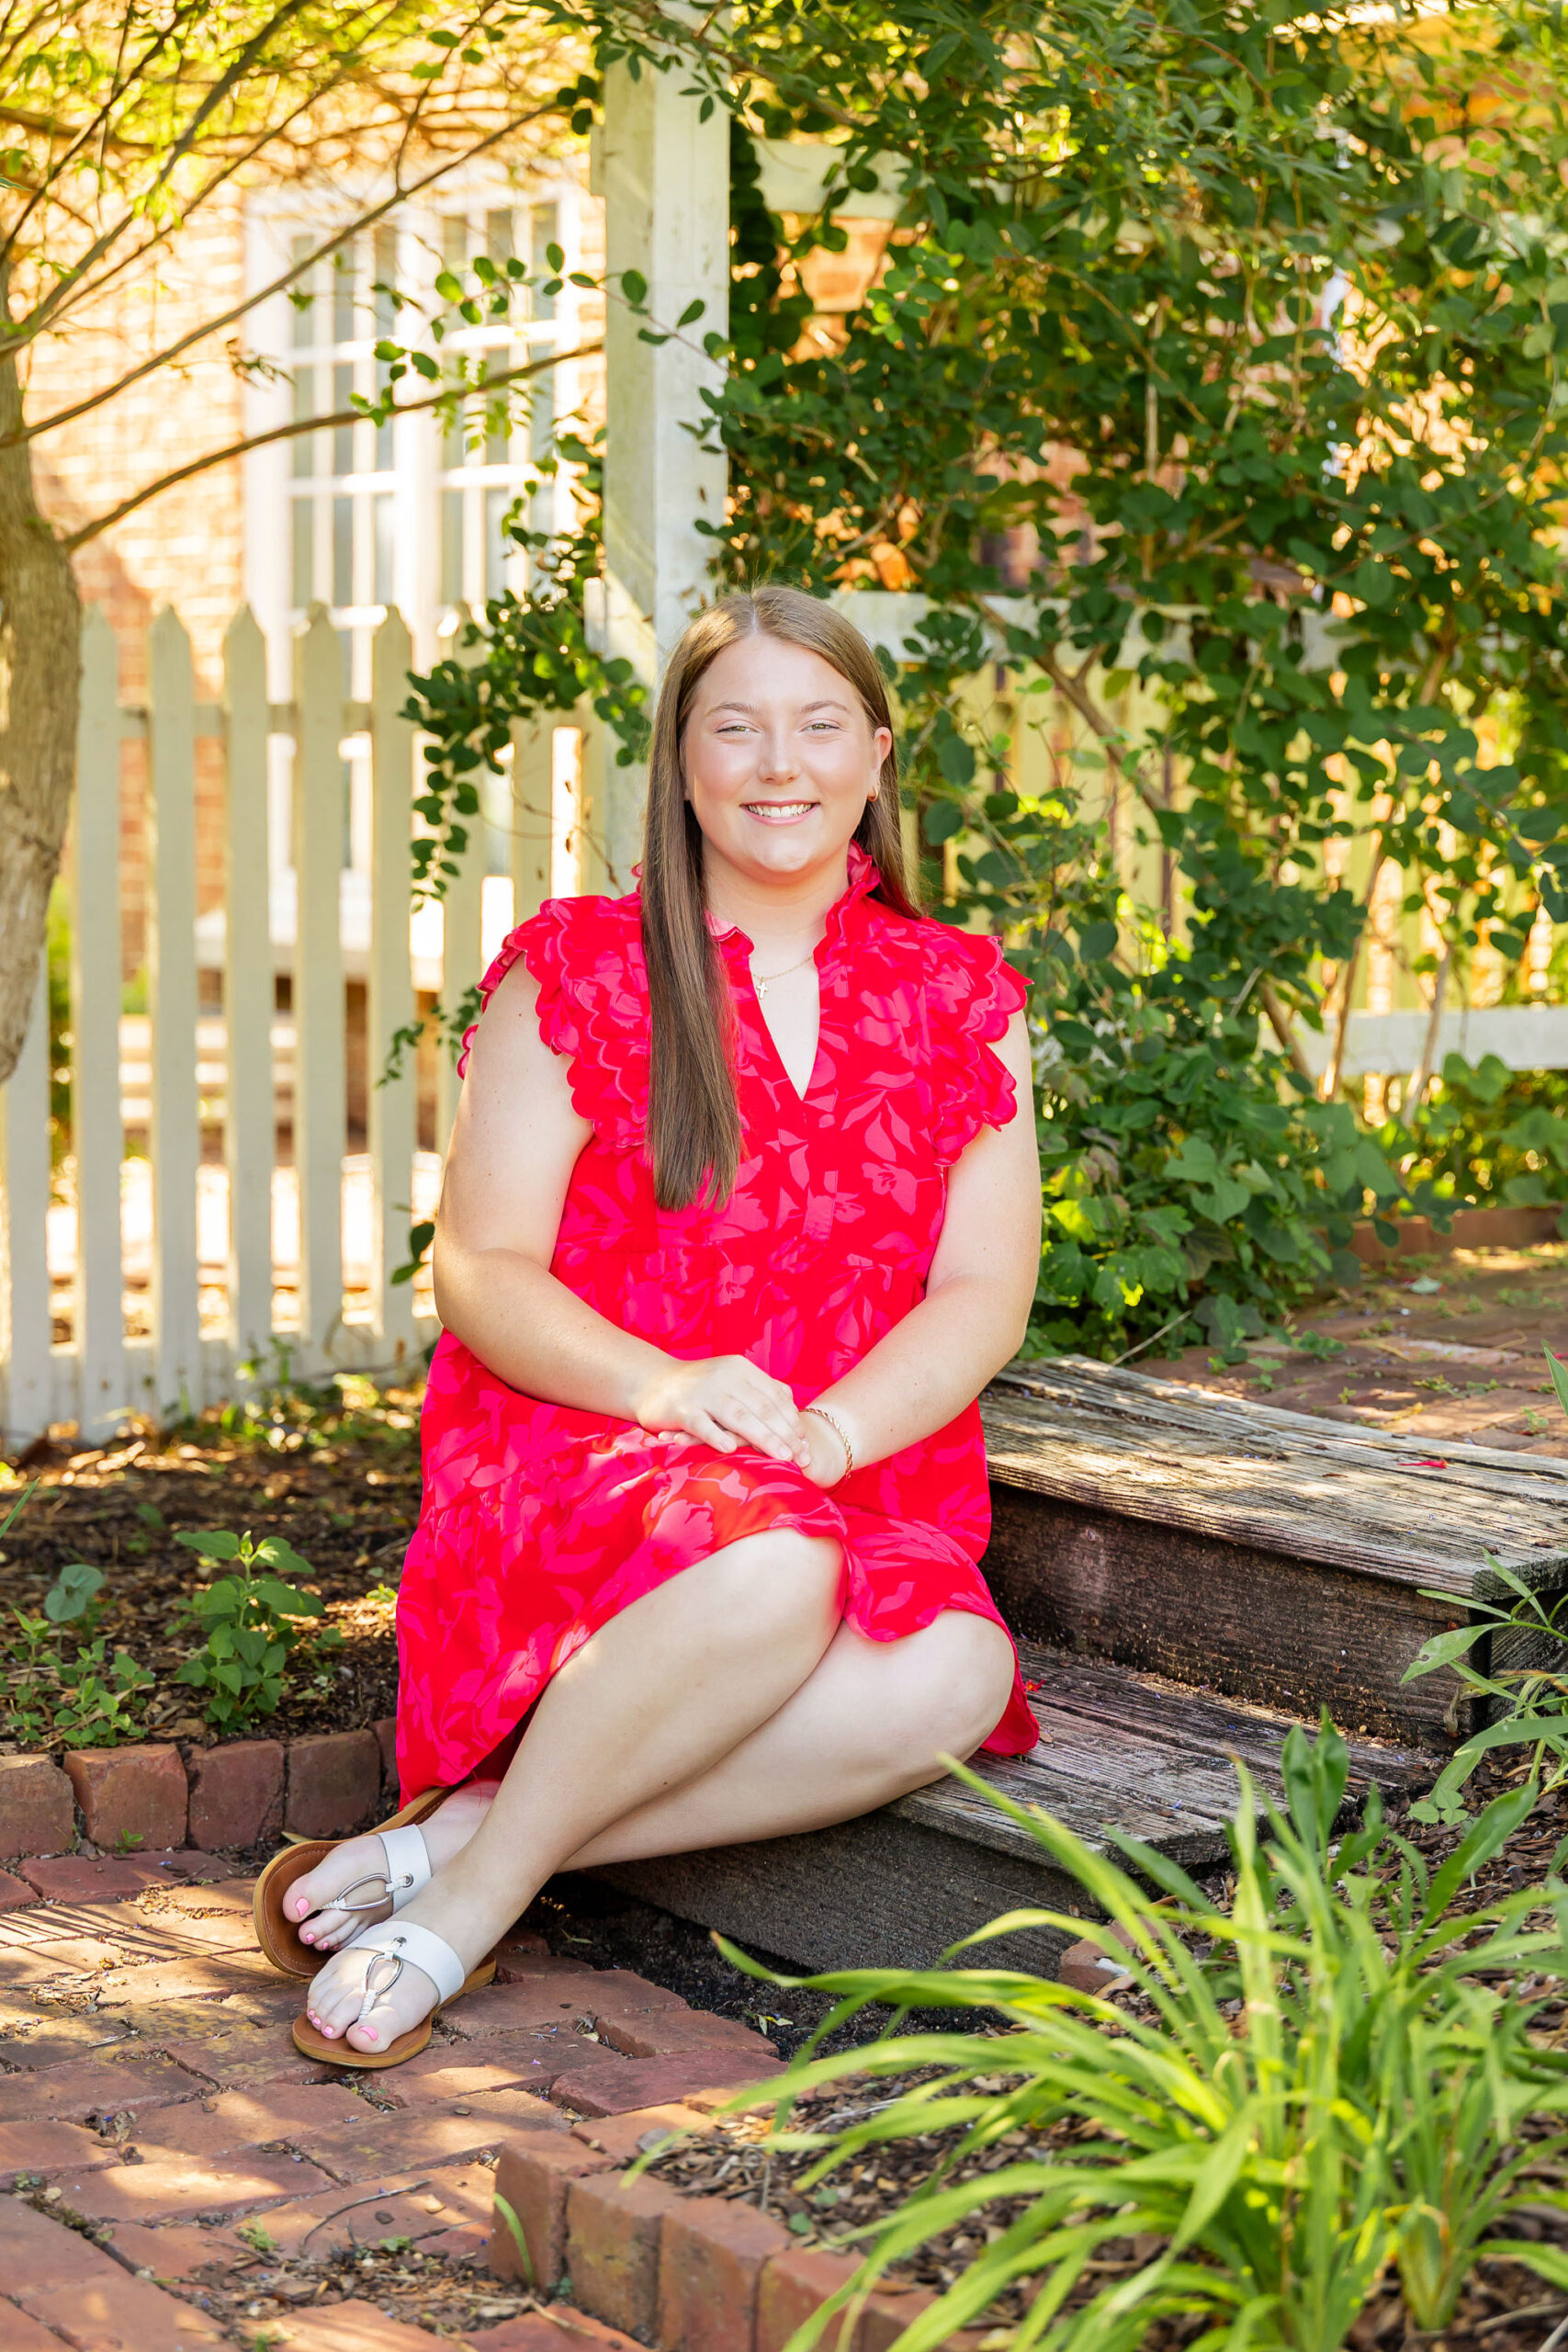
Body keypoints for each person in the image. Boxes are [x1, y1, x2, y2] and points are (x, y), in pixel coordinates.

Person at [271, 584, 1043, 2064]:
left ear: (877, 757)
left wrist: (836, 1429)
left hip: (842, 1458)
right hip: (600, 1434)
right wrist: (671, 1387)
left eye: (820, 726)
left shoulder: (958, 994)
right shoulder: (579, 968)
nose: (779, 764)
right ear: (680, 762)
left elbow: (980, 1294)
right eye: (734, 726)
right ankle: (474, 1912)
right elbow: (485, 1267)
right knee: (769, 1574)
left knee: (962, 1672)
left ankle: (474, 1840)